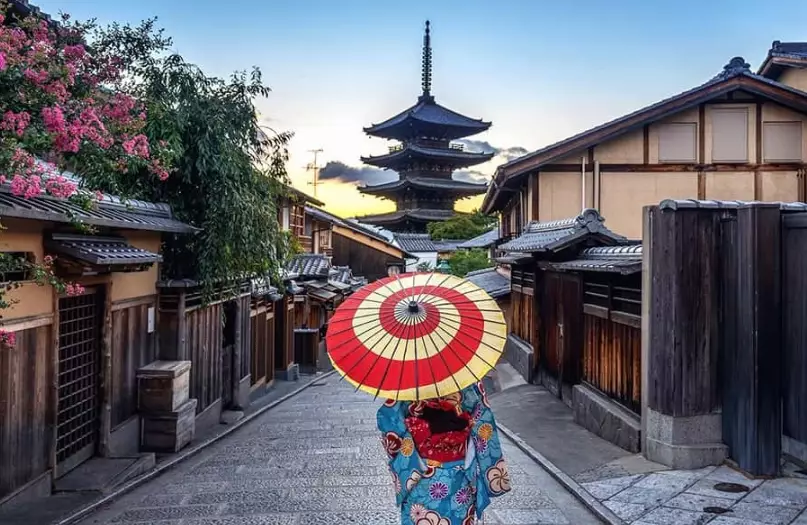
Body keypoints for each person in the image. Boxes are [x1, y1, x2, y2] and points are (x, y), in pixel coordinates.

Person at [377, 381, 512, 525]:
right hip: (460, 472)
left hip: (420, 470)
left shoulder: (406, 383)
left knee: (422, 518)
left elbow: (389, 424)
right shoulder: (466, 378)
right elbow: (484, 424)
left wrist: (414, 440)